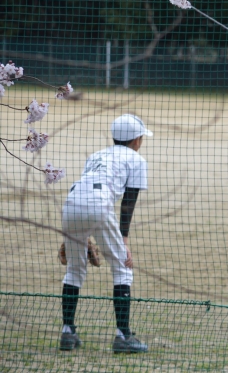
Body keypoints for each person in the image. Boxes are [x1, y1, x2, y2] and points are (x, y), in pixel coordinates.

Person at [59, 114, 152, 353]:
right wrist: (124, 241)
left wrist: (71, 237)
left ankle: (67, 332)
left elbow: (85, 189)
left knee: (74, 269)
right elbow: (128, 203)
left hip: (70, 205)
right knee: (122, 266)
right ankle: (123, 336)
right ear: (137, 140)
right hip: (99, 206)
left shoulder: (96, 155)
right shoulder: (136, 159)